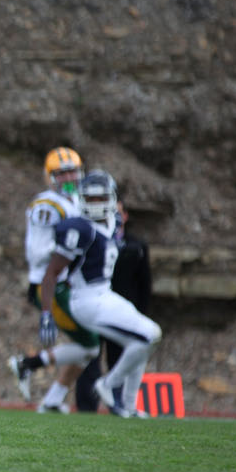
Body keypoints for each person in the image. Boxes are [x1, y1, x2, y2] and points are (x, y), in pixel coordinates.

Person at [38, 170, 163, 418]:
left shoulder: (113, 222)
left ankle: (128, 405)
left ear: (111, 199)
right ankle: (108, 384)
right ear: (81, 200)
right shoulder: (79, 229)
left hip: (105, 295)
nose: (95, 204)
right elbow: (51, 273)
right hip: (86, 300)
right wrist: (46, 314)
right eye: (90, 199)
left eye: (100, 198)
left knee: (141, 343)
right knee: (149, 335)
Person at [6, 146, 100, 413]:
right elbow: (36, 254)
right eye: (63, 173)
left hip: (69, 284)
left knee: (89, 346)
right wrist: (70, 249)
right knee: (90, 346)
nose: (70, 178)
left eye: (73, 171)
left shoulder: (76, 202)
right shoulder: (46, 205)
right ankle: (29, 365)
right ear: (50, 177)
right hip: (49, 285)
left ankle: (51, 399)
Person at [77, 201, 152, 412]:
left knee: (120, 357)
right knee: (89, 357)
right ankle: (86, 407)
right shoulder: (92, 240)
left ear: (125, 216)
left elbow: (144, 284)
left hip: (121, 310)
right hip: (96, 308)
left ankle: (118, 404)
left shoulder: (136, 246)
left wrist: (140, 313)